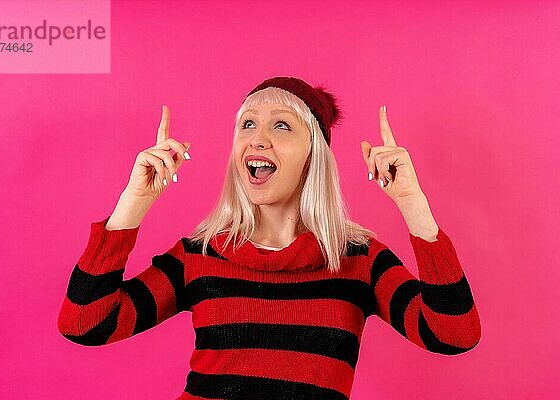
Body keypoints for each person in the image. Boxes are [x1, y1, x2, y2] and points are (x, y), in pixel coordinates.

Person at [57, 76, 481, 400]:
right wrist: (134, 201)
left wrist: (412, 203)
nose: (257, 138)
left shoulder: (359, 260)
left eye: (281, 125)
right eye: (247, 124)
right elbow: (86, 324)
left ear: (313, 156)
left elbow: (452, 333)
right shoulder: (200, 254)